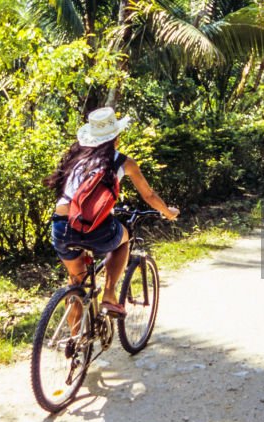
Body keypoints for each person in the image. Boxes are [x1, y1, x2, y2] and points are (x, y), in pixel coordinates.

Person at [45, 107, 179, 317]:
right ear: (116, 137)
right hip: (94, 228)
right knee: (124, 238)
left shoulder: (75, 157)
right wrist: (168, 212)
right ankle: (109, 295)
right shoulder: (122, 162)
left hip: (62, 225)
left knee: (76, 281)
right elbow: (149, 196)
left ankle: (74, 341)